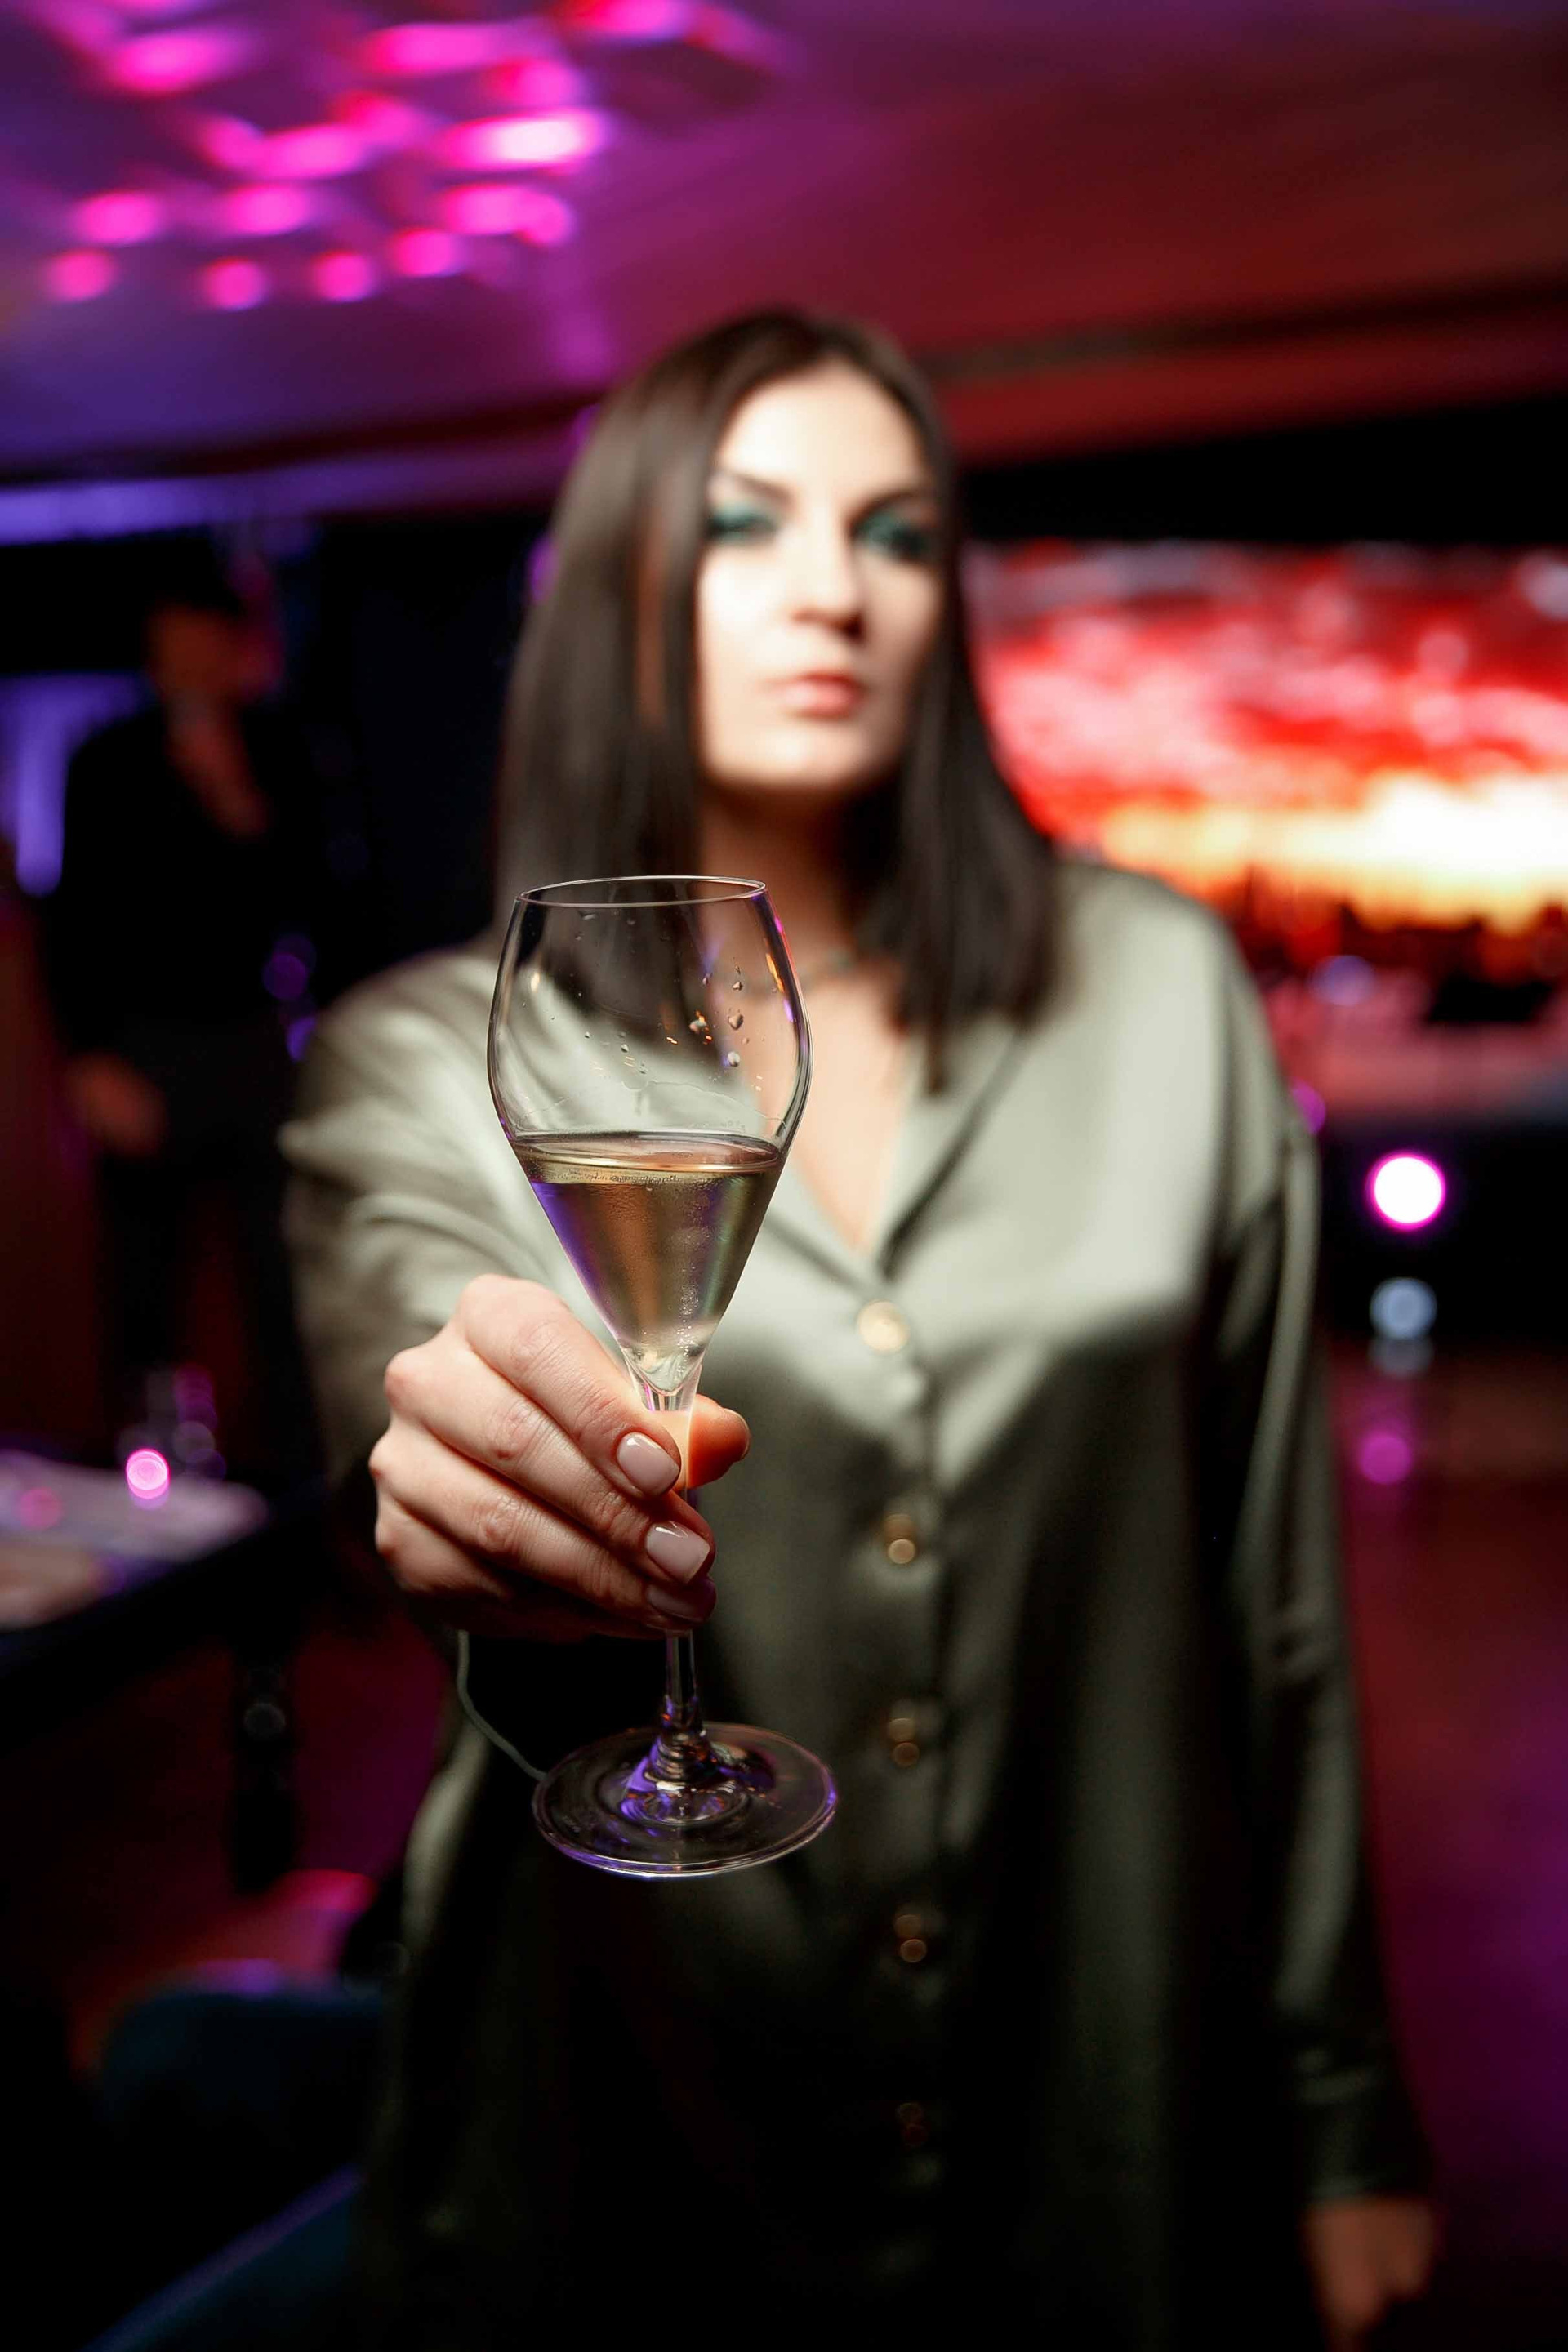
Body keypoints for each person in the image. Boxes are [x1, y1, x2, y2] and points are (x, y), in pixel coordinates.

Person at [281, 311, 1436, 2348]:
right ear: (617, 588)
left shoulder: (1161, 989)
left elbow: (1276, 1613)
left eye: (895, 534)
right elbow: (421, 1361)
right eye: (746, 524)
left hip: (1100, 2110)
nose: (833, 586)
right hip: (625, 2142)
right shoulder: (425, 1057)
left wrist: (1340, 2114)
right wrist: (495, 1514)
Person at [41, 581, 323, 1489]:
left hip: (250, 1044)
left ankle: (295, 1494)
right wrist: (87, 1059)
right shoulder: (104, 757)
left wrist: (231, 791)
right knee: (143, 1286)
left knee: (279, 1278)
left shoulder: (278, 747)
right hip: (140, 1048)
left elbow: (316, 899)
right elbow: (72, 918)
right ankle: (150, 1485)